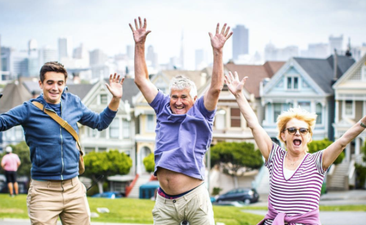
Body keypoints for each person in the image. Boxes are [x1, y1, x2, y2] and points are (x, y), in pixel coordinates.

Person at [224, 71, 366, 224]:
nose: (297, 133)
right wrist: (239, 95)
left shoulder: (318, 161)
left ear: (309, 136)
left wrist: (363, 122)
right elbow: (254, 125)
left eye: (303, 130)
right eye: (292, 130)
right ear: (283, 135)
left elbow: (343, 141)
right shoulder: (274, 156)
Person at [129, 17, 232, 224]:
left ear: (193, 99)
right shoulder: (162, 107)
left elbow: (215, 88)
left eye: (183, 97)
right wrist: (139, 45)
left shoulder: (201, 112)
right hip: (165, 203)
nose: (177, 101)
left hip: (194, 200)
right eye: (174, 96)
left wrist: (218, 52)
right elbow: (141, 80)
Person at [0, 61, 124, 225]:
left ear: (65, 84)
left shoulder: (74, 103)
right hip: (43, 191)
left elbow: (100, 123)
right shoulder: (28, 110)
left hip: (74, 188)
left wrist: (115, 99)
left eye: (60, 83)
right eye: (50, 82)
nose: (55, 88)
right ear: (41, 84)